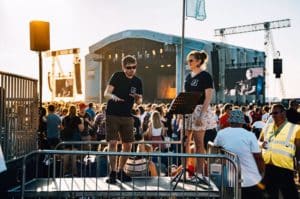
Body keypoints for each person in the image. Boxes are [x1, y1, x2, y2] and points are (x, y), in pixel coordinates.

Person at [104, 55, 143, 184]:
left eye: (134, 67)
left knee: (128, 144)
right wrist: (113, 96)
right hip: (112, 114)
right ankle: (113, 172)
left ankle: (121, 171)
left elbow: (140, 101)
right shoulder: (117, 76)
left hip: (127, 115)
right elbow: (106, 93)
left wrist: (138, 99)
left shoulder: (138, 81)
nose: (132, 70)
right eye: (129, 67)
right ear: (123, 67)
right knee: (113, 143)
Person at [214, 110, 264, 199]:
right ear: (242, 122)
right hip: (251, 179)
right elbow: (258, 157)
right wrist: (261, 172)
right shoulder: (250, 135)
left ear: (230, 121)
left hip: (230, 180)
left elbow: (215, 149)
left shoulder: (221, 133)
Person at [184, 50, 217, 175]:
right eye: (188, 60)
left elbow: (208, 97)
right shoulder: (188, 76)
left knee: (199, 143)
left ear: (198, 61)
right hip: (188, 109)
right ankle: (185, 169)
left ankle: (199, 172)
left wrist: (201, 115)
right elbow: (185, 95)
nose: (189, 62)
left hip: (200, 109)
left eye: (191, 60)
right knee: (185, 141)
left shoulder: (205, 76)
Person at [259, 104, 300, 199]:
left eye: (275, 113)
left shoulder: (295, 128)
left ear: (284, 113)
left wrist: (298, 169)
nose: (273, 115)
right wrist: (261, 144)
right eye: (272, 113)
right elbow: (259, 141)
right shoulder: (267, 127)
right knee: (270, 194)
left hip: (285, 168)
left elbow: (298, 153)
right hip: (268, 167)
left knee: (290, 195)